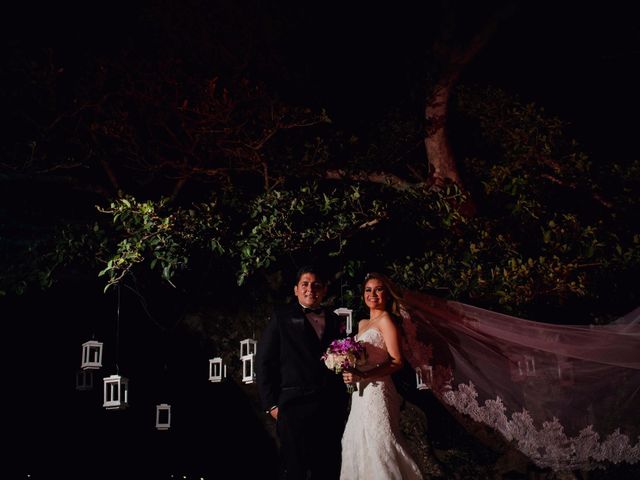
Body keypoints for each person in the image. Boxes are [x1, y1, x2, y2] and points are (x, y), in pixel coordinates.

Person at [256, 265, 349, 480]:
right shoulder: (281, 317)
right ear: (296, 289)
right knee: (295, 468)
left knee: (328, 467)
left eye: (316, 285)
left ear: (324, 290)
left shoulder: (336, 321)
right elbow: (264, 363)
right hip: (293, 406)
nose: (310, 289)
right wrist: (271, 405)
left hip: (329, 407)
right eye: (305, 284)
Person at [340, 272, 424, 480]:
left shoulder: (387, 321)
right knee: (356, 440)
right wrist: (349, 370)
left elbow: (397, 361)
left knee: (379, 443)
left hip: (378, 390)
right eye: (368, 290)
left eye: (379, 289)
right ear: (363, 295)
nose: (373, 294)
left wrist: (363, 375)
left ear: (386, 295)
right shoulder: (361, 324)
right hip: (359, 393)